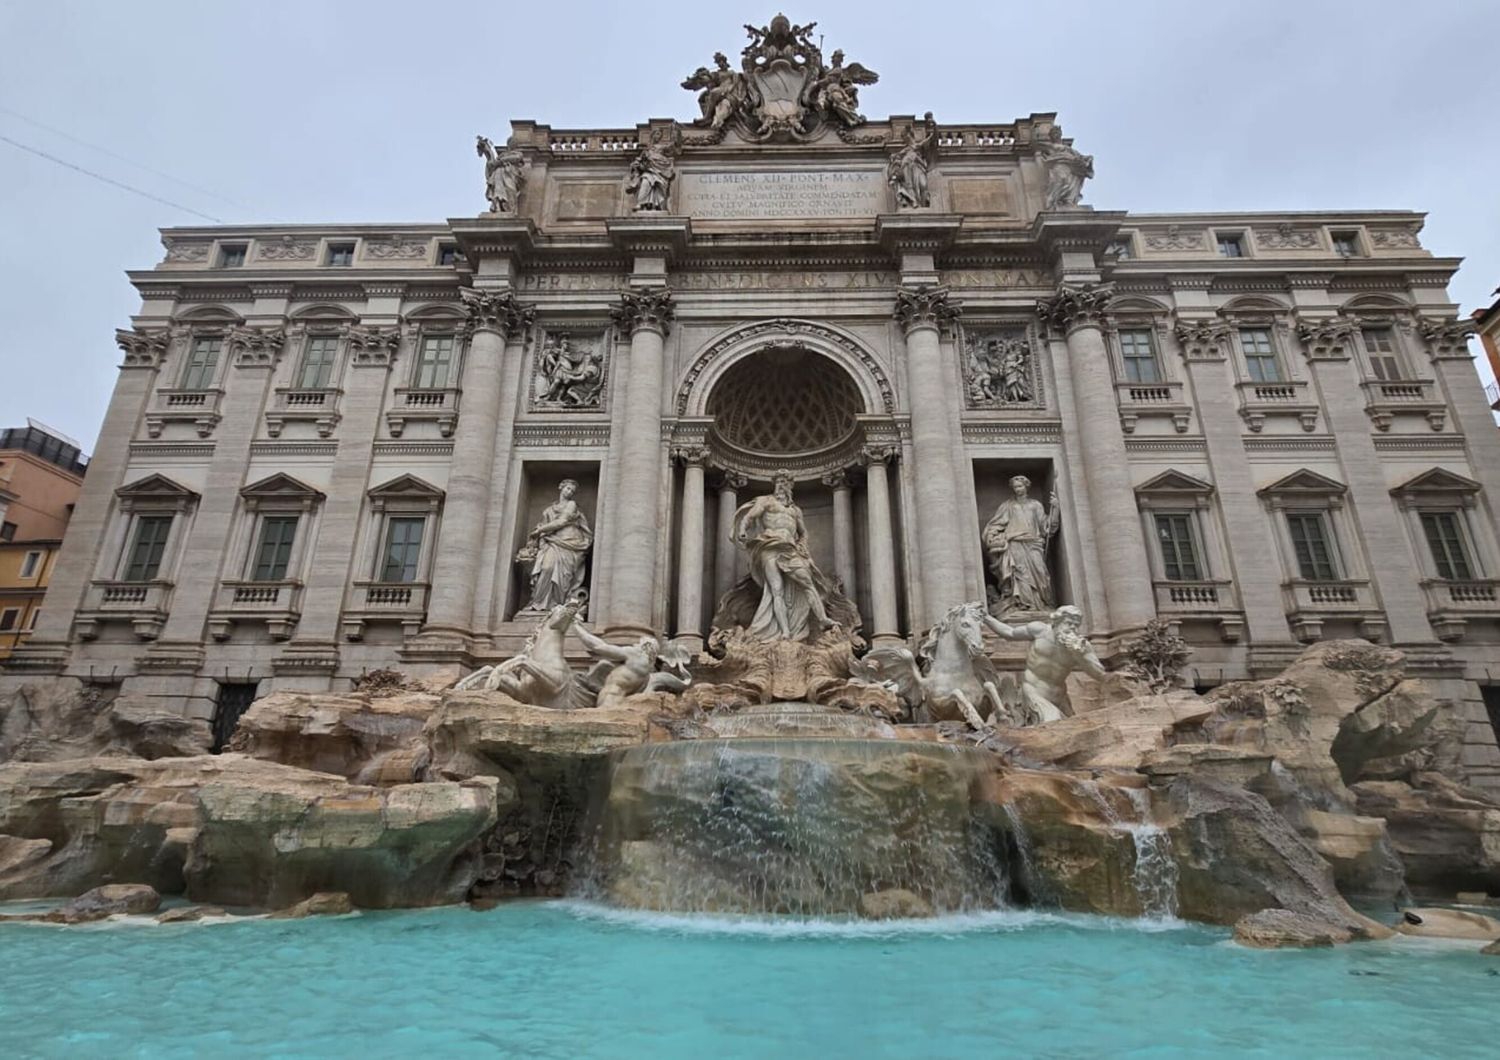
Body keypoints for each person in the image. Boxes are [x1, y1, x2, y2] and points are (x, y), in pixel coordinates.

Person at [731, 473, 835, 641]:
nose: (781, 485)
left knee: (808, 583)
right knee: (776, 590)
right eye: (779, 482)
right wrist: (743, 529)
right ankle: (785, 631)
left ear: (790, 486)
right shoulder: (766, 501)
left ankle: (822, 619)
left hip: (790, 549)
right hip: (769, 547)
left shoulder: (795, 510)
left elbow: (803, 533)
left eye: (785, 482)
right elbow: (749, 517)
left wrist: (803, 549)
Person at [984, 605, 1106, 723]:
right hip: (1033, 692)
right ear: (1057, 621)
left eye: (1076, 625)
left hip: (1060, 698)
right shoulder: (1040, 631)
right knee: (1053, 722)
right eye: (1068, 623)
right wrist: (986, 618)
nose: (1072, 628)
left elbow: (1100, 674)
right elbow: (1009, 633)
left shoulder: (1082, 646)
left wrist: (1080, 655)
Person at [982, 475, 1060, 615]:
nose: (1018, 489)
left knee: (1040, 573)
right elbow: (995, 525)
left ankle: (1041, 604)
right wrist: (993, 537)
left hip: (1034, 543)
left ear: (1026, 486)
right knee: (1020, 574)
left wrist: (1055, 509)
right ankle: (1025, 605)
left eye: (1020, 486)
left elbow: (1046, 527)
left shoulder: (1035, 505)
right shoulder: (1008, 506)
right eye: (1015, 487)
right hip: (1015, 544)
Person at [523, 480, 592, 611]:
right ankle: (538, 603)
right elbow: (544, 525)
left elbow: (562, 521)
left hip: (571, 543)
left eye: (572, 491)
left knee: (564, 576)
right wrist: (538, 536)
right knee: (547, 568)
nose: (569, 492)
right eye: (568, 488)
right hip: (553, 541)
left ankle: (557, 604)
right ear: (561, 487)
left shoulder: (572, 505)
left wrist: (539, 530)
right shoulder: (548, 510)